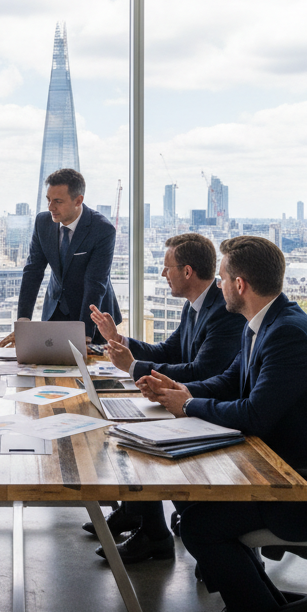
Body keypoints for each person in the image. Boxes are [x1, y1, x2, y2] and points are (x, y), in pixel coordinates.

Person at [136, 236, 307, 612]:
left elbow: (255, 414)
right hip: (280, 467)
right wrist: (180, 393)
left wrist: (189, 406)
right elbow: (231, 382)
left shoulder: (288, 336)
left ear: (239, 284)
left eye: (221, 277)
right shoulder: (265, 321)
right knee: (193, 506)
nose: (217, 284)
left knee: (201, 525)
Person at [85, 233, 244, 563]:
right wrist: (121, 340)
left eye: (166, 267)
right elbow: (170, 351)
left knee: (136, 431)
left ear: (187, 272)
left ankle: (154, 534)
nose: (162, 273)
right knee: (125, 425)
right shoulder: (195, 305)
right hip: (192, 402)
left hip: (209, 410)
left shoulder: (223, 312)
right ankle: (136, 514)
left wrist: (134, 367)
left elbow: (202, 370)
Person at [0, 167, 119, 346]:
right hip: (55, 309)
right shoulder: (43, 222)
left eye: (58, 201)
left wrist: (85, 335)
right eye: (48, 200)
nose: (50, 207)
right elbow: (33, 270)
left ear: (78, 200)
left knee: (91, 371)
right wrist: (23, 321)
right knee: (50, 368)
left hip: (93, 316)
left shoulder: (102, 229)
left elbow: (95, 283)